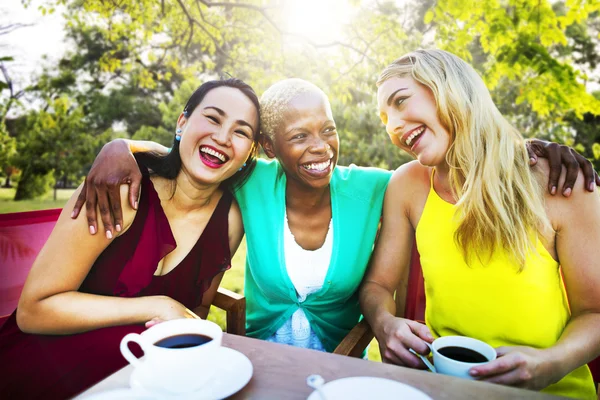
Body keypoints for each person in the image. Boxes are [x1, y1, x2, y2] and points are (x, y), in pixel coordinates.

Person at [72, 79, 597, 354]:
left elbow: (456, 152)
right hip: (259, 359)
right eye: (299, 136)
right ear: (269, 148)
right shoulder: (251, 181)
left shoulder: (378, 187)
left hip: (340, 363)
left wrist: (533, 147)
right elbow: (195, 150)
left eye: (328, 128)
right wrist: (119, 146)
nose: (321, 147)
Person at [359, 49, 600, 399]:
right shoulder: (407, 186)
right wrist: (385, 324)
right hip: (445, 387)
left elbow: (595, 311)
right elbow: (378, 285)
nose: (392, 127)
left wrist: (550, 364)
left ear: (450, 88)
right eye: (384, 118)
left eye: (400, 101)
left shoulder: (561, 184)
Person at [0, 78, 261, 399]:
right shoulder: (119, 188)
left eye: (241, 131)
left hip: (143, 380)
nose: (222, 138)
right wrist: (157, 305)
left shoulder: (231, 219)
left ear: (250, 152)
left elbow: (193, 317)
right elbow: (33, 312)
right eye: (212, 118)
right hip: (47, 366)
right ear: (183, 122)